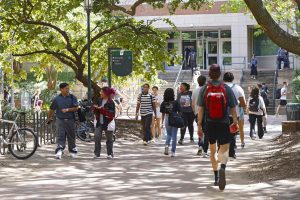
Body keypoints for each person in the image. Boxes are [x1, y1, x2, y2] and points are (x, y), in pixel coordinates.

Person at [197, 64, 238, 190]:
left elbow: (200, 109)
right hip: (224, 123)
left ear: (209, 74)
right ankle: (223, 168)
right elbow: (233, 107)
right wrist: (235, 122)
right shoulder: (226, 88)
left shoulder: (204, 88)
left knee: (212, 149)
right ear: (220, 74)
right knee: (224, 149)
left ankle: (216, 178)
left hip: (209, 123)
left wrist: (199, 125)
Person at [48, 83, 79, 159]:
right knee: (60, 136)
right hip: (60, 120)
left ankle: (72, 151)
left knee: (71, 136)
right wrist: (49, 117)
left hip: (70, 119)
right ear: (61, 89)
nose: (68, 90)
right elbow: (52, 109)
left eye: (68, 88)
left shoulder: (72, 97)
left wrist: (67, 109)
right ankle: (59, 151)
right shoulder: (56, 99)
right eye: (66, 88)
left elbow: (76, 108)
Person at [223, 72, 246, 158]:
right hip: (234, 114)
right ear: (232, 79)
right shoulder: (238, 88)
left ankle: (221, 152)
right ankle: (232, 153)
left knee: (222, 133)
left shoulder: (220, 88)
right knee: (232, 133)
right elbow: (243, 103)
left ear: (223, 79)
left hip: (220, 114)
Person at [93, 87, 116, 159]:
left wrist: (102, 109)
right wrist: (95, 108)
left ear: (106, 93)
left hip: (108, 123)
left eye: (102, 92)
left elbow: (112, 114)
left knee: (109, 139)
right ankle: (97, 154)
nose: (100, 93)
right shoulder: (99, 100)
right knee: (97, 137)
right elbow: (95, 110)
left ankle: (110, 153)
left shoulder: (111, 102)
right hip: (99, 122)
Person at [192, 75, 209, 157]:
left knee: (200, 129)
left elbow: (192, 103)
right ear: (205, 81)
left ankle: (200, 145)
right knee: (206, 131)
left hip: (197, 113)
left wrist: (194, 112)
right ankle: (205, 149)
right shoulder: (207, 90)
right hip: (206, 112)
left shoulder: (195, 91)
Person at [160, 88, 181, 157]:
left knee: (168, 134)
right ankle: (173, 152)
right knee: (174, 135)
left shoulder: (163, 103)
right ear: (173, 94)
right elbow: (180, 111)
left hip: (167, 118)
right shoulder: (175, 102)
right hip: (174, 118)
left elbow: (162, 114)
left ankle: (166, 146)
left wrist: (162, 122)